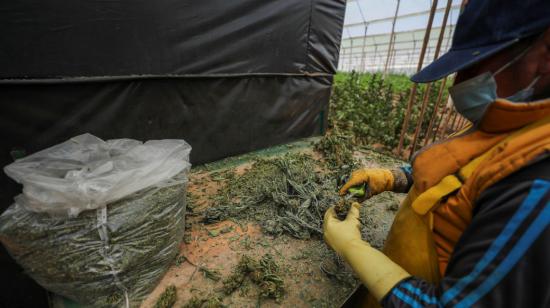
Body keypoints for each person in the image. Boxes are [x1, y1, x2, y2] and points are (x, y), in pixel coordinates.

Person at [323, 0, 550, 307]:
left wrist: (353, 248)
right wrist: (391, 178)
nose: (460, 82)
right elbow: (454, 172)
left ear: (544, 53)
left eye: (475, 65)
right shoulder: (507, 122)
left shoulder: (537, 184)